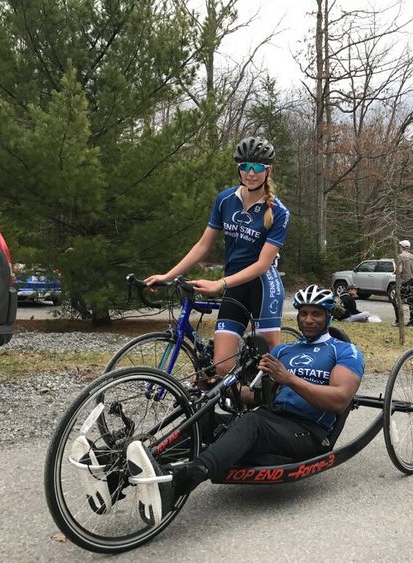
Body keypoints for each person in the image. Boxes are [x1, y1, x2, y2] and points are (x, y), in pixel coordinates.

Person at [126, 284, 365, 525]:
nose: (309, 320)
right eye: (304, 314)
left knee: (253, 422)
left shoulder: (345, 351)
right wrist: (220, 385)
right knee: (205, 417)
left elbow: (340, 399)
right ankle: (127, 471)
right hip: (272, 420)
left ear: (328, 316)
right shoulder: (284, 350)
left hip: (309, 432)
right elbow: (257, 398)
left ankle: (180, 483)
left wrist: (289, 378)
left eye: (316, 314)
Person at [145, 137, 290, 383]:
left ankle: (277, 412)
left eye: (257, 168)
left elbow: (263, 264)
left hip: (264, 286)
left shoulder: (279, 212)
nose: (251, 173)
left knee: (270, 367)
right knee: (223, 367)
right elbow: (203, 245)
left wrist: (220, 284)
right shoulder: (225, 200)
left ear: (268, 170)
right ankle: (239, 408)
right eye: (245, 167)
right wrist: (167, 276)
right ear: (239, 169)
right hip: (234, 284)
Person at [392, 239, 413, 327]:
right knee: (412, 302)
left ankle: (399, 321)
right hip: (412, 281)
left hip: (404, 281)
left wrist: (395, 273)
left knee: (397, 300)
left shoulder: (400, 256)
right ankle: (411, 323)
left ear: (401, 247)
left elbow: (400, 269)